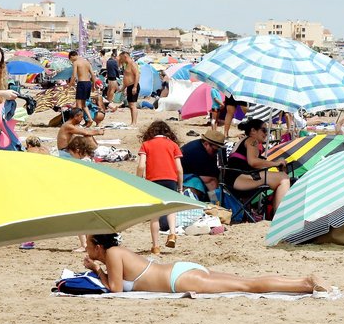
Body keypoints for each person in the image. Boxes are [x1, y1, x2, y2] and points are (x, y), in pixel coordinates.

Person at [83, 233, 327, 294]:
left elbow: (114, 289)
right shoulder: (116, 253)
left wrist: (95, 269)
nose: (86, 248)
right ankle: (302, 282)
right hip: (180, 272)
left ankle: (305, 284)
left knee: (247, 286)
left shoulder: (113, 253)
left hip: (179, 279)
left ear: (98, 247)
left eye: (88, 245)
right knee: (245, 282)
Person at [136, 120, 184, 255]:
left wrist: (138, 181)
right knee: (171, 209)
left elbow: (141, 166)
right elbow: (179, 169)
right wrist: (180, 187)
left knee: (155, 215)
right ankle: (173, 234)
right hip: (170, 179)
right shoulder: (173, 145)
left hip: (153, 180)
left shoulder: (146, 145)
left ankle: (156, 246)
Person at [225, 119, 291, 213]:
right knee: (283, 178)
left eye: (267, 131)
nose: (266, 133)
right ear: (253, 131)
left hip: (232, 178)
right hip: (239, 179)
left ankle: (274, 212)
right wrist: (276, 163)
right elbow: (253, 162)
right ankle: (280, 215)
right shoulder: (253, 141)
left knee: (277, 178)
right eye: (264, 130)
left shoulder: (244, 140)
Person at [181, 130, 225, 198]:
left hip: (187, 173)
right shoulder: (198, 153)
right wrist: (216, 201)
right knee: (209, 183)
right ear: (206, 144)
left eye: (218, 150)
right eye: (215, 150)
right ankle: (216, 204)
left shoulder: (205, 149)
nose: (216, 153)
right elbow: (210, 181)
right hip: (182, 177)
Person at [68, 50, 95, 116]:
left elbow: (74, 76)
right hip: (88, 83)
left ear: (72, 56)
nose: (72, 61)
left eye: (71, 60)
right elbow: (93, 75)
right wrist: (93, 85)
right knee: (84, 104)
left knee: (78, 104)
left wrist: (69, 85)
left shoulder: (76, 63)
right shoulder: (87, 62)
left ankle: (78, 121)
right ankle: (90, 119)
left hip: (82, 83)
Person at [118, 51, 140, 126]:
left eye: (121, 58)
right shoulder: (126, 65)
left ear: (125, 56)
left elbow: (137, 75)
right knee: (130, 105)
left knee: (133, 105)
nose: (121, 59)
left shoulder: (132, 64)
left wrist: (135, 86)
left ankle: (134, 122)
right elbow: (126, 78)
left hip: (133, 85)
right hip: (129, 86)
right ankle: (132, 122)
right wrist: (123, 88)